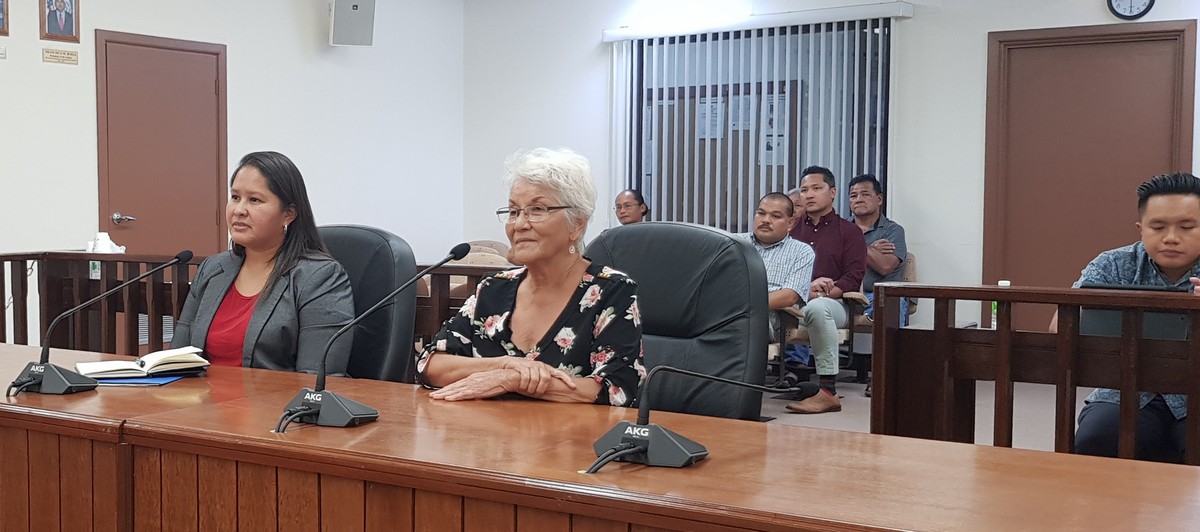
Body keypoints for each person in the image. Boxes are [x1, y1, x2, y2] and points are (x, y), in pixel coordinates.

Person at [416, 147, 645, 406]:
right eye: (514, 211)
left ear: (576, 224)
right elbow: (430, 364)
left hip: (567, 441)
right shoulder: (493, 288)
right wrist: (504, 366)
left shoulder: (611, 290)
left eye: (536, 210)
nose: (520, 224)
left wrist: (514, 381)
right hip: (485, 439)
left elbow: (618, 389)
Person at [172, 151, 355, 374]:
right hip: (201, 405)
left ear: (288, 214)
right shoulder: (212, 269)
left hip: (276, 407)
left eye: (254, 200)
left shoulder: (320, 277)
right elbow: (178, 360)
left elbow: (318, 381)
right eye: (235, 197)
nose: (239, 210)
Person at [1060, 172, 1200, 463]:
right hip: (1125, 388)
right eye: (1158, 226)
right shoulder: (1112, 264)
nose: (1171, 238)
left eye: (1187, 227)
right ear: (1140, 229)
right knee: (1097, 439)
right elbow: (1059, 327)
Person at [783, 165, 867, 414]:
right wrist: (804, 290)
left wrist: (821, 294)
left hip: (835, 303)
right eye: (805, 190)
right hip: (792, 299)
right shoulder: (791, 230)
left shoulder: (850, 232)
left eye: (816, 189)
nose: (809, 195)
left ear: (832, 192)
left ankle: (828, 392)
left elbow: (853, 277)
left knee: (818, 309)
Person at [737, 193, 815, 338]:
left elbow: (790, 296)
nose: (766, 220)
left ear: (790, 223)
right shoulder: (735, 243)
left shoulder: (801, 251)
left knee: (746, 321)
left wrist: (742, 305)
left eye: (776, 216)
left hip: (768, 319)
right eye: (761, 213)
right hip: (727, 312)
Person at [848, 174, 908, 325]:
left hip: (879, 296)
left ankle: (892, 350)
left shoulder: (893, 231)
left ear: (879, 199)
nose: (858, 199)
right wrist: (870, 249)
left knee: (893, 302)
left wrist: (856, 244)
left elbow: (884, 266)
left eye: (865, 194)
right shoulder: (841, 228)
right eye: (853, 195)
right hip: (847, 295)